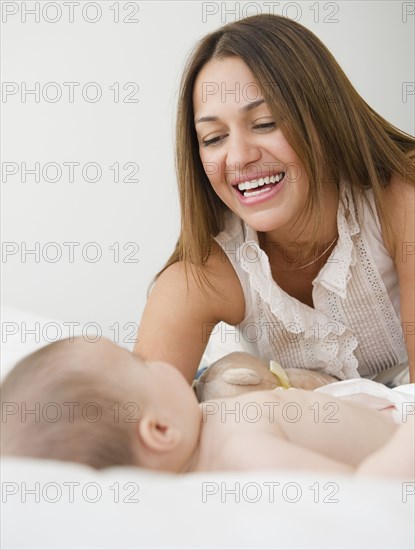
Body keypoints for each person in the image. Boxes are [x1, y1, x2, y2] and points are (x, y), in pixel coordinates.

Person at [133, 14, 415, 386]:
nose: (237, 158)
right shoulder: (201, 275)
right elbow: (135, 421)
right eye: (213, 138)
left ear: (325, 118)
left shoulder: (401, 197)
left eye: (265, 123)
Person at [1, 337, 413, 479]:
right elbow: (361, 496)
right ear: (160, 431)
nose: (160, 361)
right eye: (140, 364)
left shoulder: (213, 445)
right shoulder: (240, 452)